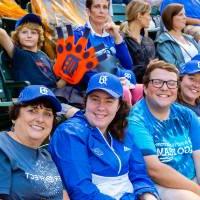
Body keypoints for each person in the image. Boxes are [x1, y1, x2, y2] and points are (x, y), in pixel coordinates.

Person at [49, 72, 159, 200]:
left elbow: (139, 174)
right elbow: (81, 190)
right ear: (86, 101)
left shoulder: (122, 129)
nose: (101, 107)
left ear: (118, 105)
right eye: (95, 99)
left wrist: (149, 196)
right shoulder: (70, 133)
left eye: (109, 101)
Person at [127, 60, 200, 199]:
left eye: (171, 83)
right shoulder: (136, 119)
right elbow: (154, 169)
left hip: (193, 181)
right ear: (146, 87)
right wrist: (197, 190)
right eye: (157, 82)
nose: (165, 88)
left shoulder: (187, 114)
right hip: (160, 186)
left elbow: (199, 156)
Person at [0, 85, 69, 199]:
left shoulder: (45, 156)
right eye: (33, 110)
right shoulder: (3, 147)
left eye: (47, 114)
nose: (40, 119)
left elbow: (63, 196)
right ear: (14, 116)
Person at [74, 0, 133, 75]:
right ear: (88, 11)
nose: (101, 11)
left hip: (118, 82)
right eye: (97, 6)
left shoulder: (113, 34)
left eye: (105, 7)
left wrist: (117, 38)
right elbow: (78, 71)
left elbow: (128, 66)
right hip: (93, 84)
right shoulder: (79, 35)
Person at [155, 3, 200, 70]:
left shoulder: (190, 38)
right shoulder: (163, 42)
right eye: (180, 15)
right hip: (184, 77)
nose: (184, 17)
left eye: (184, 14)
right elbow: (173, 67)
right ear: (170, 18)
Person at [120, 0, 155, 83]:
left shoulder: (148, 41)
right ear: (139, 16)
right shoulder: (121, 40)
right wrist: (147, 67)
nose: (150, 18)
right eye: (148, 14)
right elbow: (122, 69)